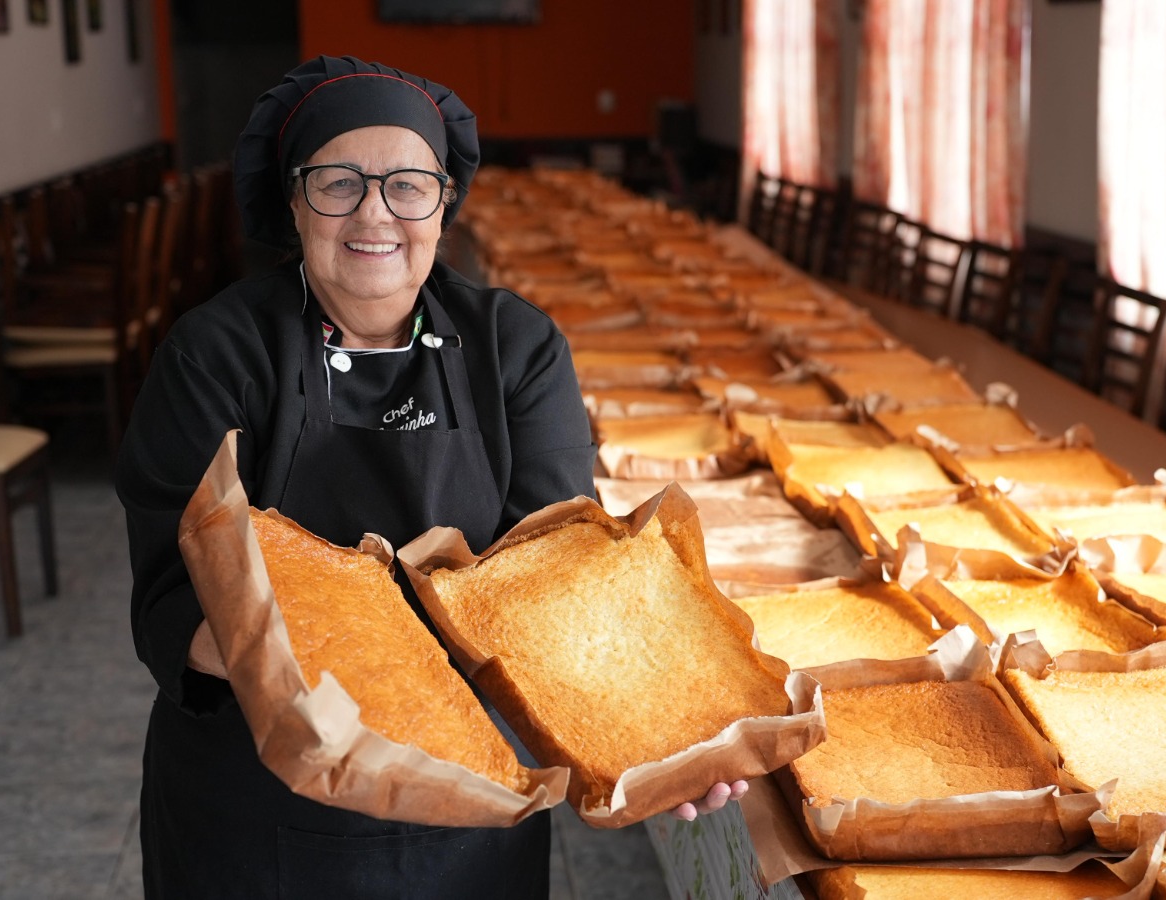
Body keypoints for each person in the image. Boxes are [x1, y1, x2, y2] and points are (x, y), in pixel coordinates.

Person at [115, 55, 746, 899]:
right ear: (294, 201)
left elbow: (559, 582)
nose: (375, 212)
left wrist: (657, 728)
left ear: (444, 203)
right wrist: (327, 688)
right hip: (254, 802)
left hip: (467, 792)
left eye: (409, 185)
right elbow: (172, 600)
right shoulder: (214, 355)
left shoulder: (515, 347)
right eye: (338, 182)